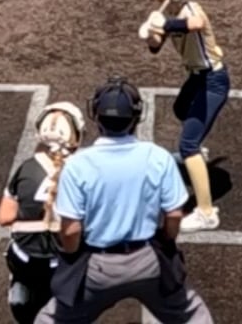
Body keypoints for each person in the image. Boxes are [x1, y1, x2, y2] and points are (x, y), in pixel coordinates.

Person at [36, 77, 214, 324]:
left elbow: (71, 230)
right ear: (136, 117)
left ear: (96, 117)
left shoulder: (77, 165)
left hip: (98, 269)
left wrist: (73, 256)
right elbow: (174, 215)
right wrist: (165, 241)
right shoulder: (158, 157)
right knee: (193, 316)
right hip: (148, 262)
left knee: (50, 320)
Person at [141, 0, 229, 234]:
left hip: (213, 81)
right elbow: (155, 47)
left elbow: (195, 24)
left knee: (187, 144)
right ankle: (197, 152)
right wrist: (152, 32)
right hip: (197, 78)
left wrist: (164, 24)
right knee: (181, 109)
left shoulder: (190, 10)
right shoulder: (167, 14)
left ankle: (206, 213)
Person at [0, 102, 86, 324]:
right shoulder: (84, 173)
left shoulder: (27, 167)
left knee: (25, 302)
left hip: (23, 257)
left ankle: (22, 292)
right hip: (61, 263)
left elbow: (4, 218)